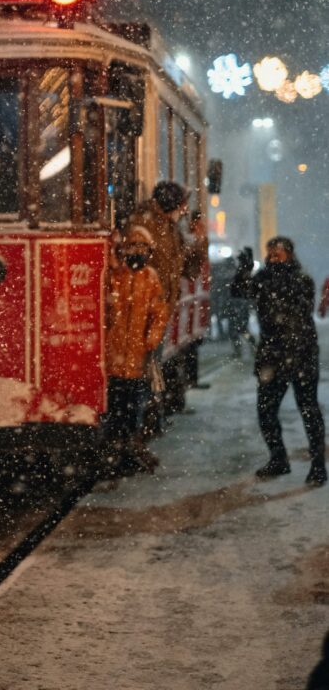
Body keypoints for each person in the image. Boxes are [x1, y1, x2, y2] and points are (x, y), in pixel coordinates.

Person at [231, 237, 327, 486]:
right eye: (270, 254)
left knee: (309, 410)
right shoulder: (263, 278)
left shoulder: (301, 279)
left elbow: (295, 308)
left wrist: (267, 285)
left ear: (290, 255)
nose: (273, 258)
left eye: (278, 254)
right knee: (266, 410)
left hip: (300, 355)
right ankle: (278, 458)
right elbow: (239, 291)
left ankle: (318, 465)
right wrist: (243, 270)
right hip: (272, 357)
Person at [129, 181, 208, 427]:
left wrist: (199, 240)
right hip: (144, 310)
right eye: (182, 204)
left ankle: (148, 420)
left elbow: (188, 269)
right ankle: (140, 425)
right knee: (144, 368)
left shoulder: (170, 229)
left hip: (159, 310)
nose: (184, 210)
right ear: (170, 203)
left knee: (152, 366)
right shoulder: (147, 226)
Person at [105, 224, 170, 475]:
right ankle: (118, 453)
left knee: (133, 409)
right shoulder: (115, 276)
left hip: (136, 358)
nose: (137, 251)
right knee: (117, 409)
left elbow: (158, 314)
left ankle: (128, 452)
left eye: (142, 247)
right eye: (132, 246)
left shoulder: (150, 278)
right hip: (114, 358)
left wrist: (150, 341)